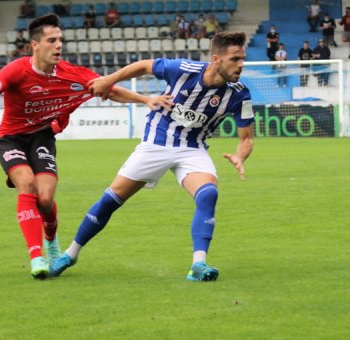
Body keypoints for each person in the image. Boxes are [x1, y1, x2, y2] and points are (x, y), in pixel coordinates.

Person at [0, 14, 172, 280]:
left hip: (42, 138)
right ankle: (36, 257)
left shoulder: (73, 74)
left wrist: (145, 99)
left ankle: (51, 241)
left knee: (46, 199)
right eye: (52, 40)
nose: (59, 44)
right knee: (27, 185)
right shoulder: (16, 70)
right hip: (11, 139)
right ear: (35, 45)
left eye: (60, 39)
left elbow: (107, 89)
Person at [48, 32, 255, 282]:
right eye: (235, 59)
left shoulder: (239, 93)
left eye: (242, 59)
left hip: (193, 148)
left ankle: (198, 265)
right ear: (216, 59)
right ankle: (71, 254)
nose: (241, 65)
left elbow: (246, 138)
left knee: (209, 193)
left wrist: (240, 156)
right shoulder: (183, 70)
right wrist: (108, 80)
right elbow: (144, 65)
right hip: (156, 142)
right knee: (111, 200)